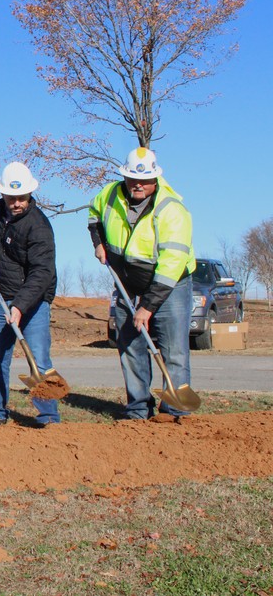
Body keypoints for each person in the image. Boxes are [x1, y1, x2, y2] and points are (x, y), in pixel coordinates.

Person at [88, 147, 195, 419]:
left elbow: (172, 264)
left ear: (155, 178)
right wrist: (98, 243)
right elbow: (93, 214)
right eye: (132, 178)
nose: (137, 184)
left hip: (168, 286)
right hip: (126, 283)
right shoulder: (110, 193)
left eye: (144, 180)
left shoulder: (172, 210)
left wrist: (147, 307)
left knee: (173, 352)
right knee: (131, 348)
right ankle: (138, 409)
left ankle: (174, 410)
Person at [0, 162, 59, 427]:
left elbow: (42, 273)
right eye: (11, 198)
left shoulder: (39, 226)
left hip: (33, 301)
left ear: (30, 194)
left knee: (39, 360)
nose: (16, 203)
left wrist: (19, 306)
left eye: (21, 198)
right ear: (3, 195)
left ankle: (48, 417)